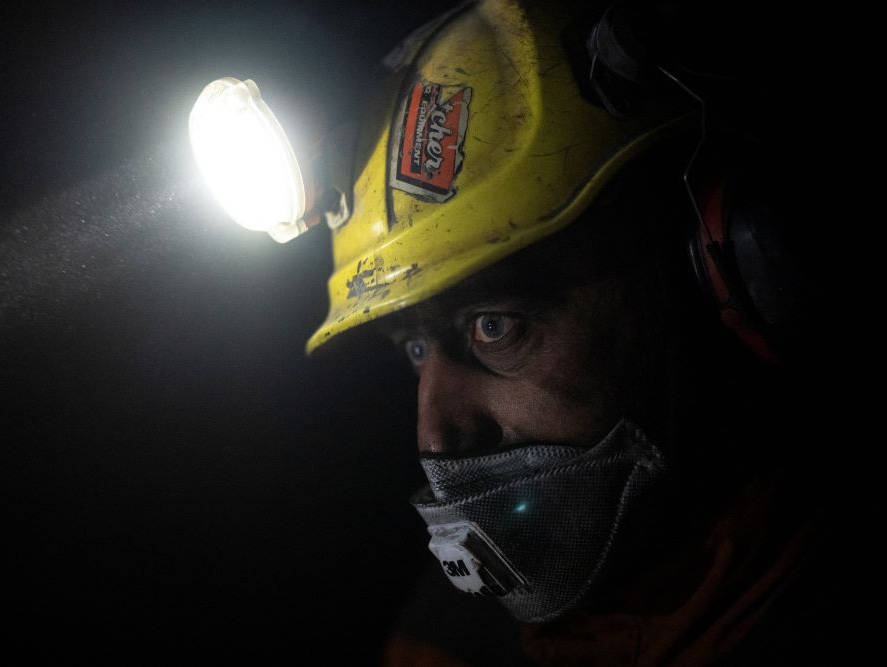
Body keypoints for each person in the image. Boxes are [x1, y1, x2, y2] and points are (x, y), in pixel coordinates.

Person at [304, 0, 842, 663]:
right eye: (414, 348)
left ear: (720, 272)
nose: (435, 435)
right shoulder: (438, 640)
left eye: (494, 325)